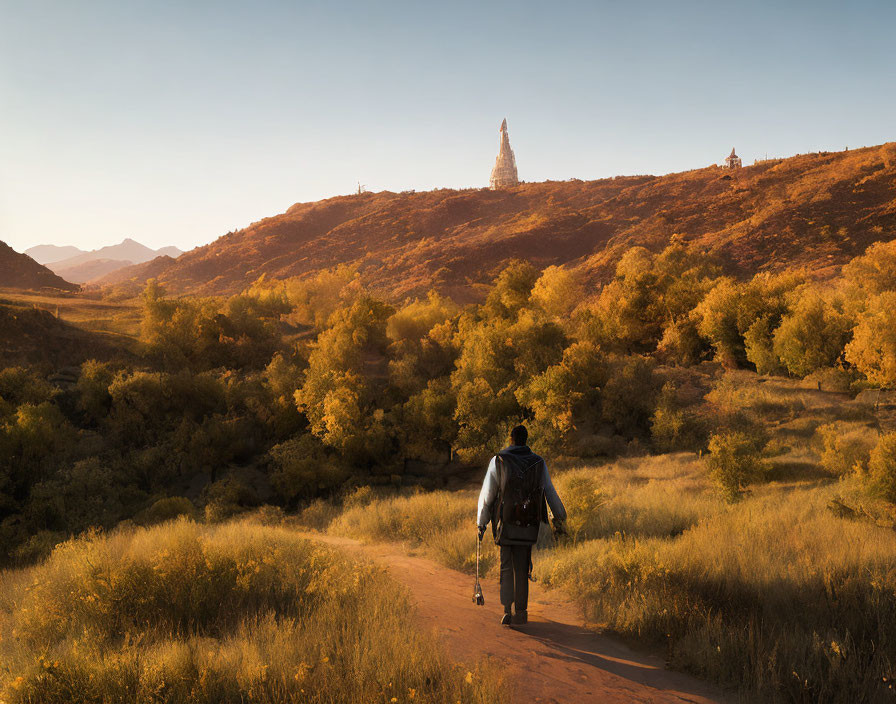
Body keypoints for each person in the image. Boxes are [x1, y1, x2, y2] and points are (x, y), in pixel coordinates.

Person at [476, 424, 566, 626]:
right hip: (529, 523)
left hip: (506, 522)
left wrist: (481, 523)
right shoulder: (538, 462)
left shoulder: (499, 460)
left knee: (507, 567)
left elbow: (488, 495)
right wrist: (560, 516)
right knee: (523, 566)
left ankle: (507, 610)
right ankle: (522, 612)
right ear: (526, 440)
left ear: (511, 439)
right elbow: (549, 491)